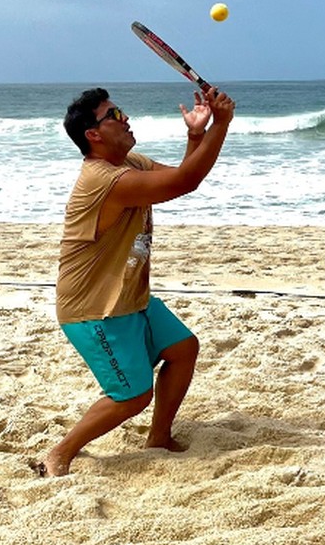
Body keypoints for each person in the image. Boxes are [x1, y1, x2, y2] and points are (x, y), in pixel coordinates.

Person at [36, 84, 235, 477]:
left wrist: (197, 133)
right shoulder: (103, 180)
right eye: (113, 115)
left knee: (182, 348)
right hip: (94, 309)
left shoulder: (131, 165)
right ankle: (59, 453)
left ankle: (158, 437)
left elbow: (181, 175)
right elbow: (185, 183)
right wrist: (222, 123)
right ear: (93, 135)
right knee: (132, 395)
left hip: (129, 296)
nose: (125, 118)